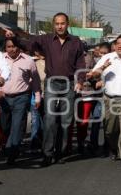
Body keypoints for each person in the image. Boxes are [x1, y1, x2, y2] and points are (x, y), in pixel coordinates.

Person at [31, 12, 85, 167]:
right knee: (49, 119)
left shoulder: (75, 42)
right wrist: (14, 37)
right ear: (53, 25)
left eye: (62, 23)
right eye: (57, 23)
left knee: (66, 121)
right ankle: (47, 154)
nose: (60, 26)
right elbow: (28, 42)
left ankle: (60, 152)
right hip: (52, 83)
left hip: (68, 84)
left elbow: (81, 62)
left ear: (67, 24)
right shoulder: (46, 39)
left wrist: (80, 81)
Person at [88, 35, 121, 167]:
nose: (120, 46)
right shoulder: (107, 58)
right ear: (114, 45)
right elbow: (94, 74)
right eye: (118, 43)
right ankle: (114, 147)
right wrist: (101, 69)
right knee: (110, 130)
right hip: (109, 99)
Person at [0, 37, 41, 165]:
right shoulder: (0, 60)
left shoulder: (28, 61)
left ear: (19, 47)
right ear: (5, 48)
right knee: (5, 126)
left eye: (14, 46)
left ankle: (12, 152)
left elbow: (35, 80)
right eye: (9, 47)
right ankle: (11, 145)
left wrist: (37, 96)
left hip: (21, 97)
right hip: (3, 98)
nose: (12, 49)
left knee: (16, 126)